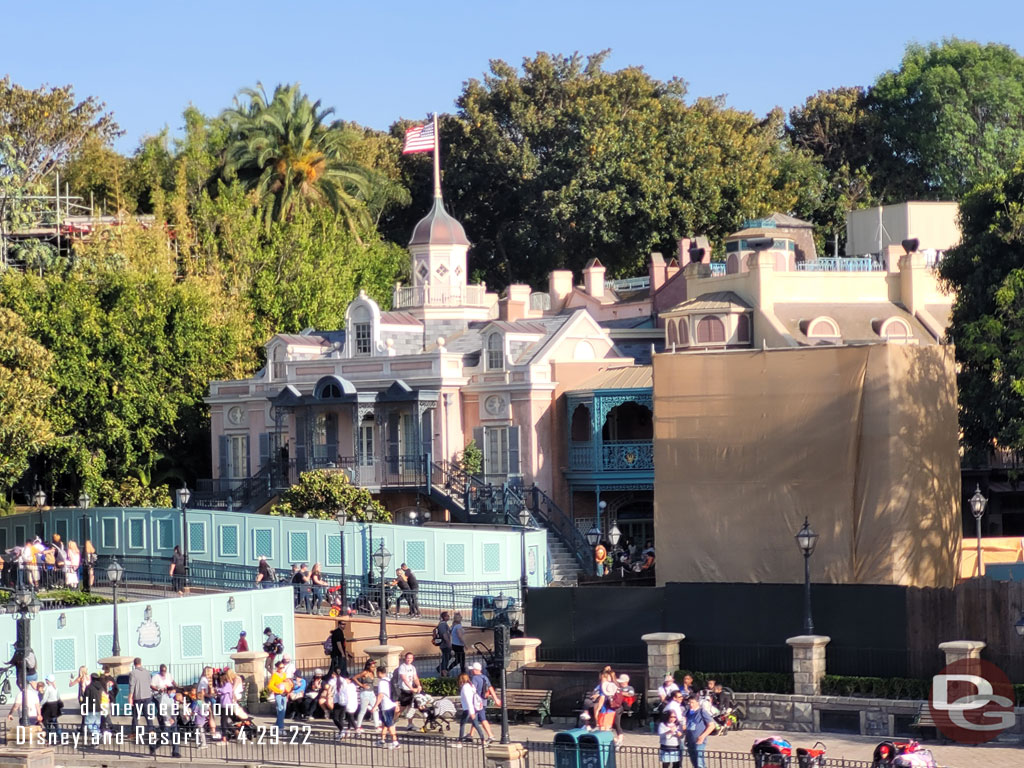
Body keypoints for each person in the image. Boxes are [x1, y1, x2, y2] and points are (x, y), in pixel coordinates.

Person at [370, 666, 399, 749]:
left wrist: (375, 706)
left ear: (379, 672)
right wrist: (396, 704)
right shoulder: (389, 680)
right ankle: (382, 740)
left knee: (390, 724)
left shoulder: (382, 682)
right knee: (385, 723)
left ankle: (395, 742)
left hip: (386, 706)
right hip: (392, 704)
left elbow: (380, 695)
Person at [683, 694, 715, 768]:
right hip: (690, 740)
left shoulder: (702, 711)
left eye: (692, 702)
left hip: (699, 741)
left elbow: (711, 725)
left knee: (700, 762)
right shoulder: (688, 712)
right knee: (694, 761)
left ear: (697, 702)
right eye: (689, 702)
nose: (690, 704)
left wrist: (702, 736)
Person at [150, 684, 182, 758]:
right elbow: (162, 709)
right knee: (166, 737)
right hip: (165, 719)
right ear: (169, 691)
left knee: (175, 735)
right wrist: (168, 718)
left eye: (175, 692)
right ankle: (153, 747)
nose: (174, 693)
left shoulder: (172, 698)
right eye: (173, 692)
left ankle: (175, 752)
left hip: (173, 718)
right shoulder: (163, 698)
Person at [455, 672, 487, 745]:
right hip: (473, 708)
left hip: (468, 709)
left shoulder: (465, 687)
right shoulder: (471, 686)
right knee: (476, 724)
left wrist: (471, 712)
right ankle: (483, 740)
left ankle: (460, 741)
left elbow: (468, 700)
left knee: (463, 724)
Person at [469, 662, 498, 741]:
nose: (471, 671)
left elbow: (473, 690)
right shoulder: (484, 677)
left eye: (472, 670)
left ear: (475, 670)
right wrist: (496, 699)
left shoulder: (474, 678)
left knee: (482, 718)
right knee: (475, 717)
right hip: (484, 701)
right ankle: (470, 735)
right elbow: (490, 688)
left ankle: (490, 735)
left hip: (477, 702)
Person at [128, 657, 155, 735]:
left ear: (134, 664)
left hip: (138, 697)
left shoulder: (133, 673)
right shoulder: (147, 672)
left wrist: (130, 697)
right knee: (148, 714)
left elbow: (131, 686)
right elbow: (150, 683)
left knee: (136, 715)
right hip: (147, 696)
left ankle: (135, 731)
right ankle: (151, 730)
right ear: (141, 663)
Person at [396, 652, 421, 731]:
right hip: (404, 689)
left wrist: (418, 685)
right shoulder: (402, 667)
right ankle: (392, 722)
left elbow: (415, 677)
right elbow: (404, 679)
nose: (409, 659)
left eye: (411, 658)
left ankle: (410, 724)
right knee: (402, 708)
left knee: (411, 707)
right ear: (405, 658)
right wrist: (411, 688)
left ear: (412, 659)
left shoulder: (412, 667)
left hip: (410, 691)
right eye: (408, 658)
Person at [353, 660, 378, 732]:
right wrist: (361, 685)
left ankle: (377, 725)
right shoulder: (365, 672)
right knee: (363, 710)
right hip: (365, 692)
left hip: (371, 692)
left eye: (374, 667)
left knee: (375, 708)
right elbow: (354, 678)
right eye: (372, 667)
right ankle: (358, 726)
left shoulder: (372, 673)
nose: (373, 668)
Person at [267, 660, 291, 731]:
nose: (282, 669)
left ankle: (278, 724)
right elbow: (270, 685)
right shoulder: (275, 675)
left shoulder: (284, 674)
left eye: (283, 667)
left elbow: (286, 682)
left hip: (284, 693)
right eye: (280, 668)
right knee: (280, 709)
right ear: (277, 668)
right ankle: (281, 726)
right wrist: (278, 691)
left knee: (284, 709)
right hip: (278, 694)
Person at [434, 612, 453, 677]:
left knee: (448, 656)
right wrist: (449, 643)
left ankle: (440, 668)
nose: (448, 617)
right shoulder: (442, 625)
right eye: (447, 616)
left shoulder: (444, 624)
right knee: (446, 657)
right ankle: (444, 671)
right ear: (444, 617)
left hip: (445, 644)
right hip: (444, 645)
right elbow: (444, 635)